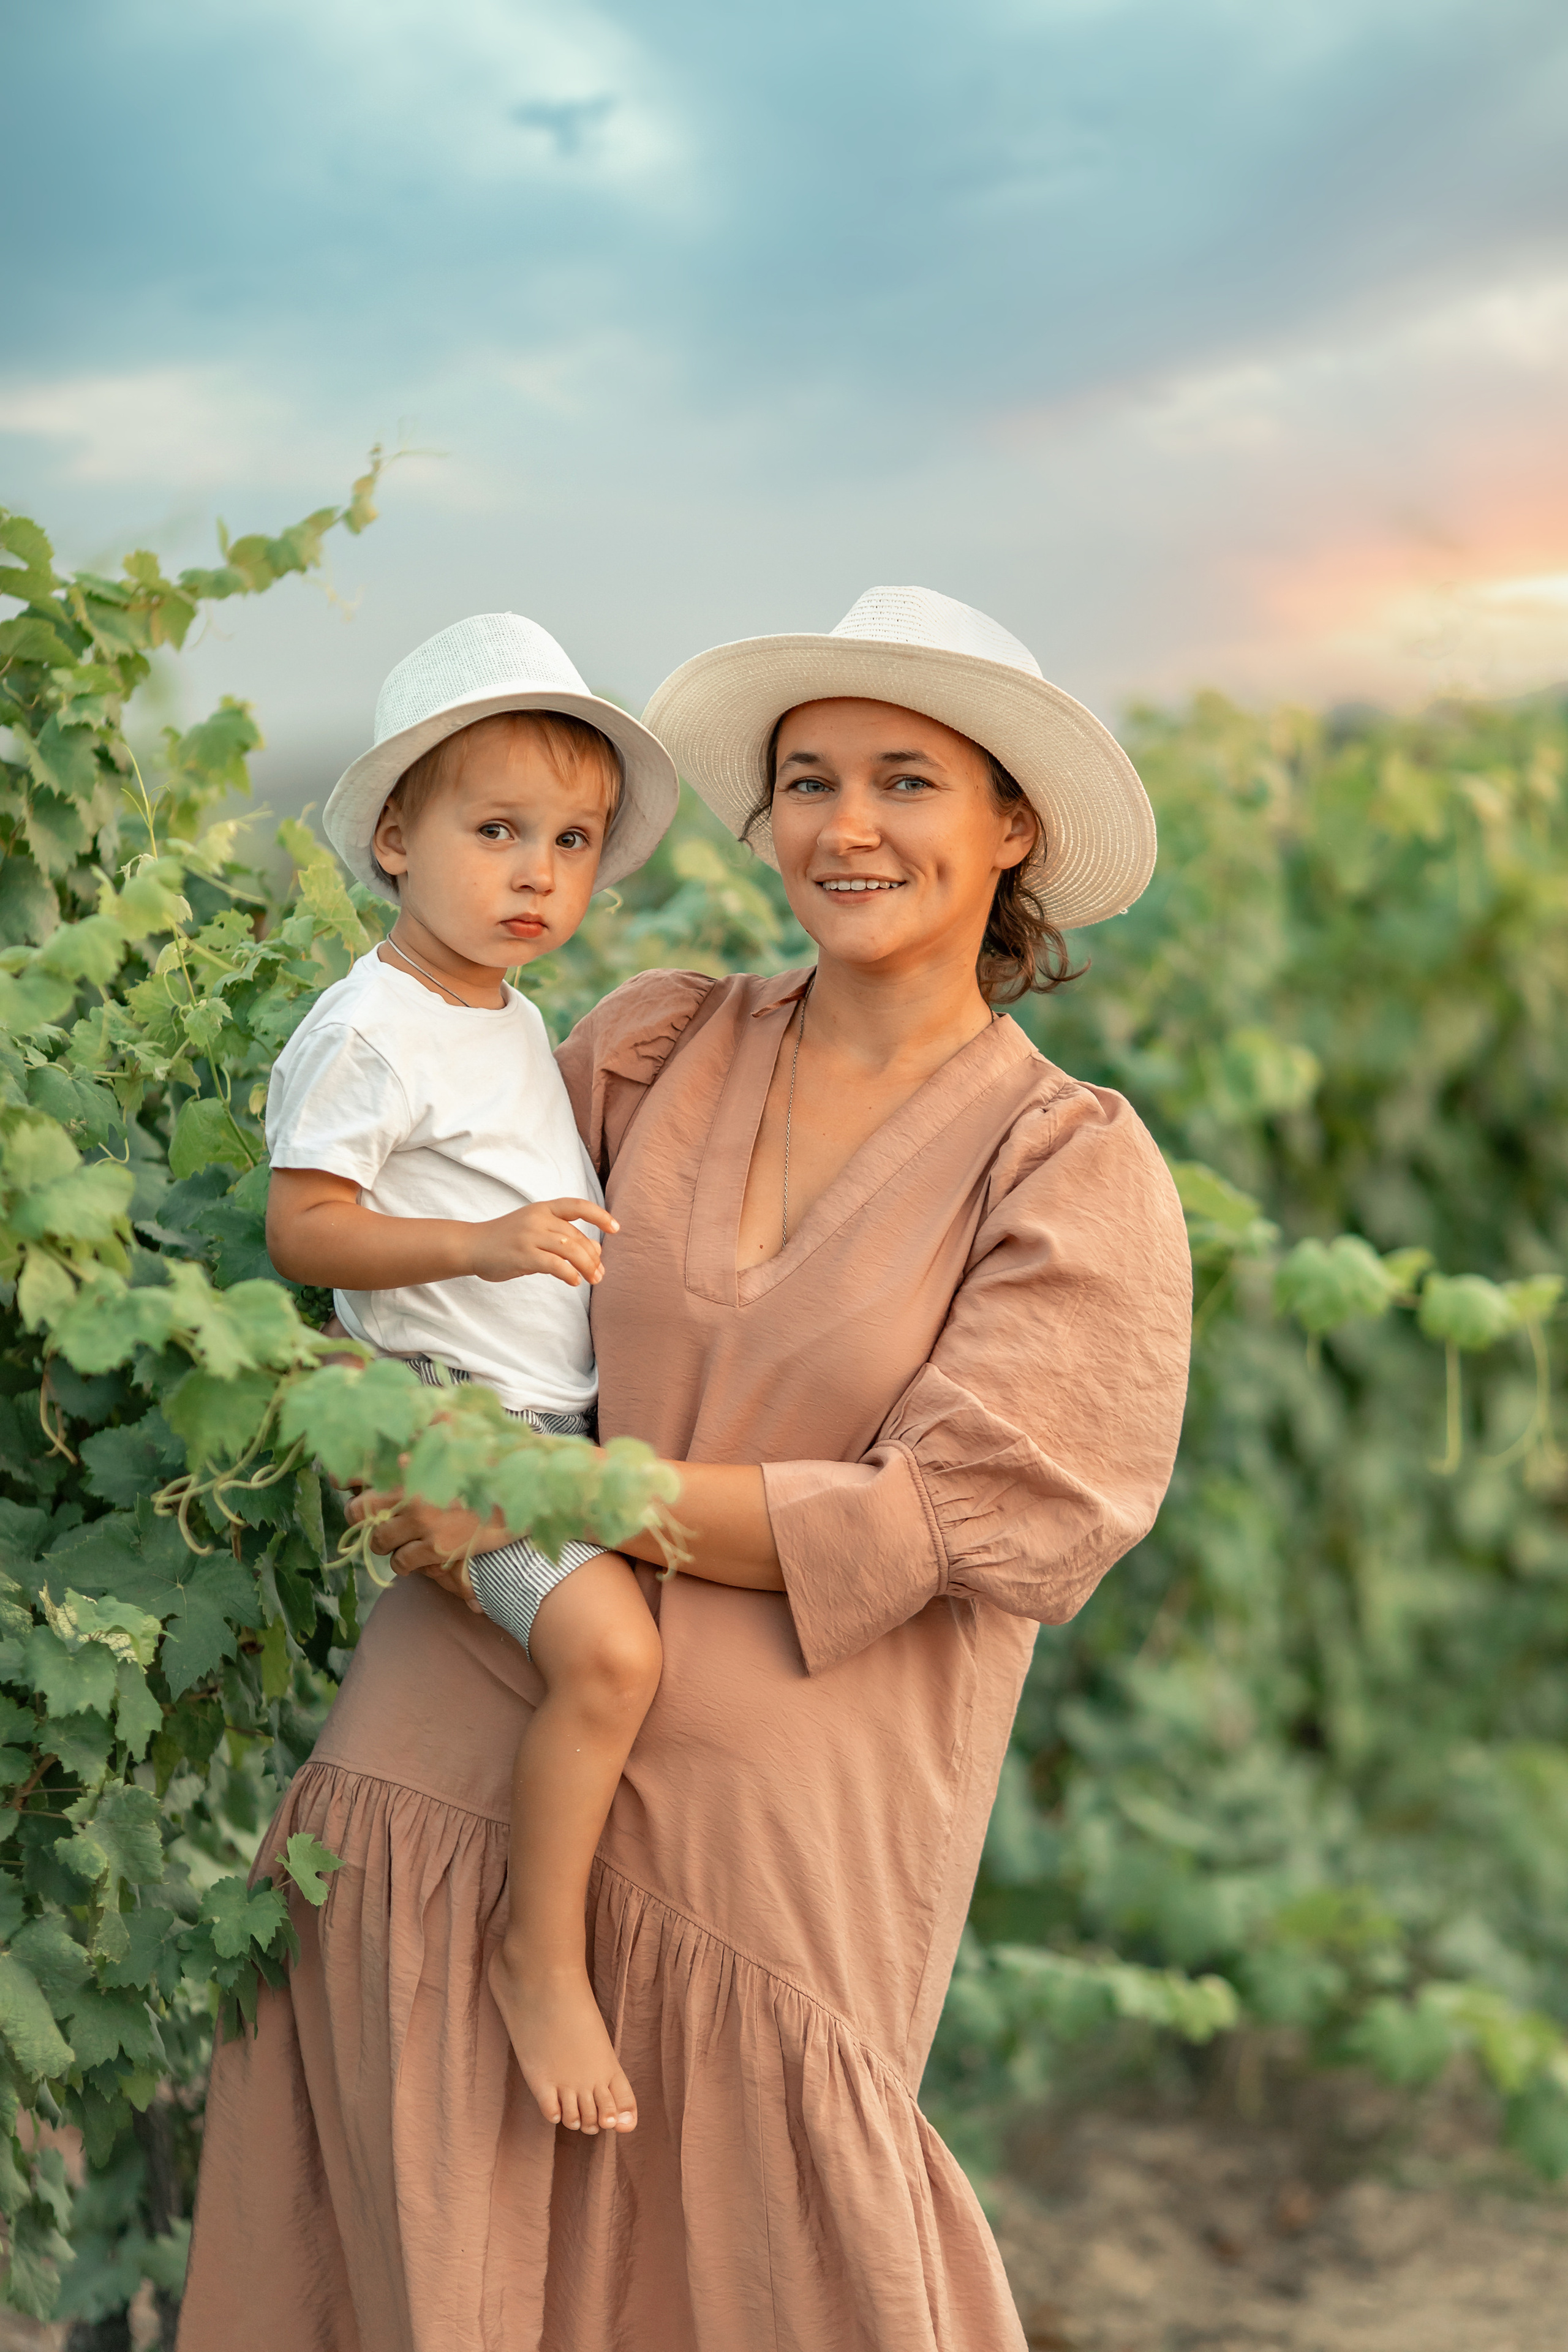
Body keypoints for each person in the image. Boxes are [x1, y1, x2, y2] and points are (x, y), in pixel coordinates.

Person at [178, 586, 1192, 2352]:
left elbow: (959, 1521)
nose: (847, 826)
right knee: (419, 2254)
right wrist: (430, 1469)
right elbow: (458, 1296)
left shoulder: (1067, 1167)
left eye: (907, 781)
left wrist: (558, 1503)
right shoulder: (653, 1043)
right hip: (447, 1747)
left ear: (1011, 824)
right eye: (808, 781)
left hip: (763, 1844)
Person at [262, 610, 678, 2138]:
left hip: (534, 1422)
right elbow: (304, 1229)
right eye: (496, 830)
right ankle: (534, 1954)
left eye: (570, 842)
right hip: (453, 1433)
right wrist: (490, 1244)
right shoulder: (370, 1031)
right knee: (614, 1660)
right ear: (393, 835)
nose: (537, 875)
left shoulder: (500, 1014)